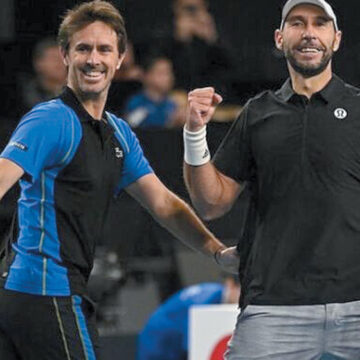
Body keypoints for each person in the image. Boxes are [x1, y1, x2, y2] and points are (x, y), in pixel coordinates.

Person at [0, 2, 239, 359]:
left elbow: (163, 204)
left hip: (43, 293)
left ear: (120, 58)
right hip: (42, 292)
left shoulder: (118, 134)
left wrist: (216, 252)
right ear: (65, 55)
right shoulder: (50, 120)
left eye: (104, 49)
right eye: (82, 48)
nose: (93, 59)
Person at [183, 0, 360, 359]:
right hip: (274, 308)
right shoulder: (257, 113)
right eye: (297, 23)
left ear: (336, 39)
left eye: (320, 24)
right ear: (280, 38)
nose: (309, 33)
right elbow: (211, 203)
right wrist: (194, 134)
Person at [137, 275, 240, 360]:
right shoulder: (205, 302)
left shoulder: (213, 295)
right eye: (242, 292)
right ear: (230, 284)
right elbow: (194, 347)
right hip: (159, 342)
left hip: (172, 341)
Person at [124, 55, 185, 128]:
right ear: (147, 76)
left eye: (169, 73)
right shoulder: (136, 102)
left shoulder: (173, 103)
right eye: (162, 73)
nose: (168, 77)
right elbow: (130, 125)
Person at [18, 37, 67, 113]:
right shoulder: (25, 98)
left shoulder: (84, 93)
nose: (59, 62)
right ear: (38, 63)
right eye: (53, 58)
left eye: (63, 57)